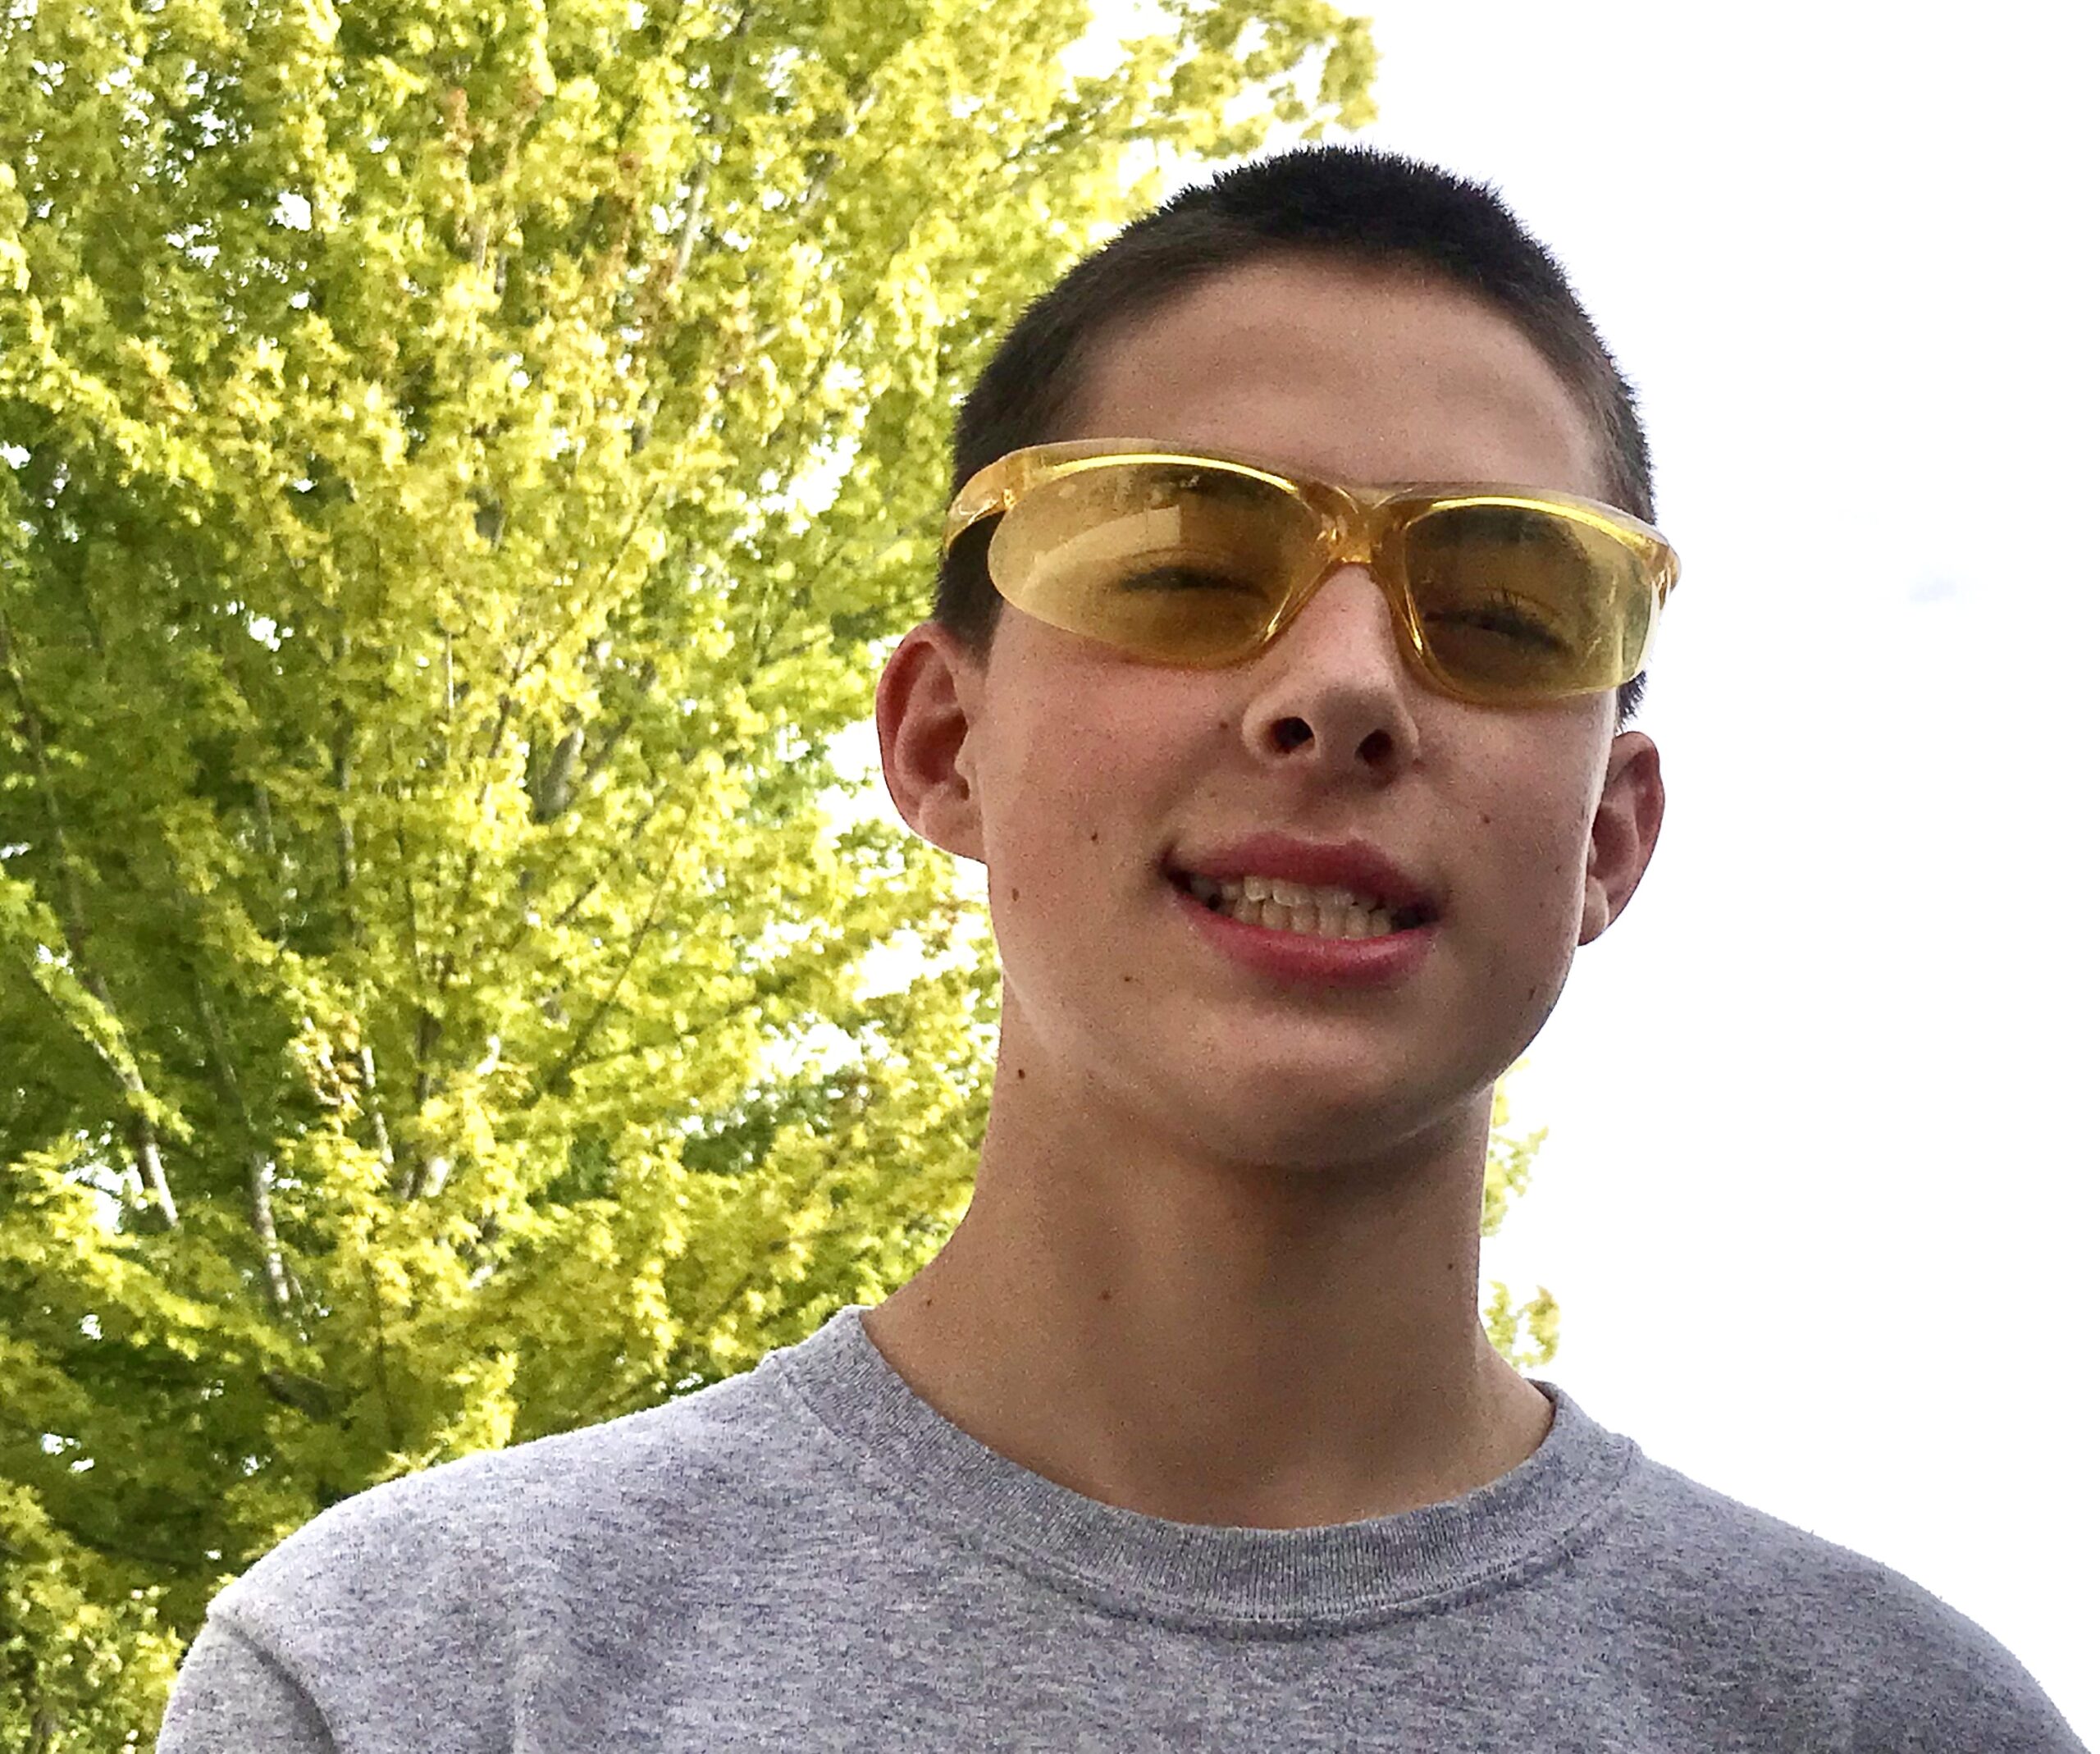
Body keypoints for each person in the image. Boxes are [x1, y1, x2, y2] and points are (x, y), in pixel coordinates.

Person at [157, 145, 2086, 1752]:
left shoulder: (1885, 1718)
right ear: (938, 740)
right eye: (1178, 565)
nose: (1337, 690)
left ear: (1608, 831)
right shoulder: (413, 1679)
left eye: (1498, 605)